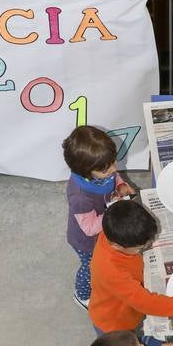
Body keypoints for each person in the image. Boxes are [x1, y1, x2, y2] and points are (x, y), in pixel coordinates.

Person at [89, 199, 173, 333]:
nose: (146, 248)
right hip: (116, 323)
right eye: (140, 248)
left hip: (129, 305)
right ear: (117, 245)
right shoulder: (111, 270)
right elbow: (146, 303)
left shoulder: (113, 231)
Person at [62, 126, 136, 311]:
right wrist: (114, 209)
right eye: (106, 169)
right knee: (90, 268)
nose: (113, 169)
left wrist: (122, 186)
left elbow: (114, 177)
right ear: (86, 171)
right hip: (86, 242)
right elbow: (89, 228)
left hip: (104, 229)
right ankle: (82, 295)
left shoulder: (104, 172)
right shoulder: (80, 196)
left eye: (113, 162)